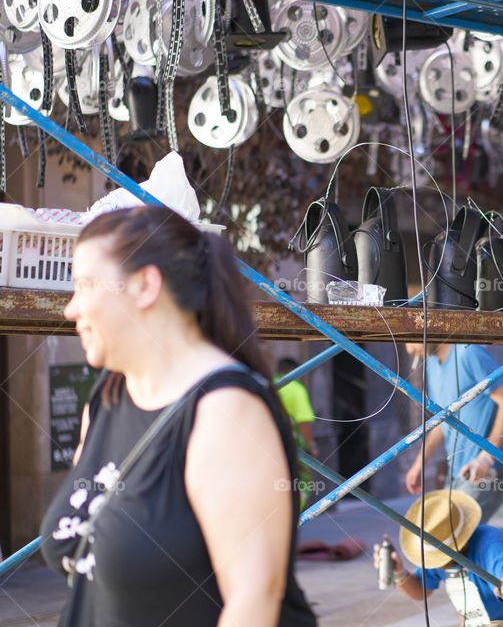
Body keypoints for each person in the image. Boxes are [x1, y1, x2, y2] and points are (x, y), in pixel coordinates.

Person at [40, 206, 315, 626]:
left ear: (145, 285)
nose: (70, 309)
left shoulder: (226, 411)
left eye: (85, 286)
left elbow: (254, 603)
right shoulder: (107, 398)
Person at [373, 490, 503, 627]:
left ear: (460, 544)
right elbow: (421, 590)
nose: (437, 564)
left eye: (440, 559)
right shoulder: (434, 550)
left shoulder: (492, 545)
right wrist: (398, 572)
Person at [404, 343, 503, 522]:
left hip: (485, 469)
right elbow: (442, 422)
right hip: (457, 472)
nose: (409, 350)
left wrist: (485, 458)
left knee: (453, 539)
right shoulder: (432, 365)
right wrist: (420, 463)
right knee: (447, 536)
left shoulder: (468, 352)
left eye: (409, 340)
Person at [276, 357, 319, 458]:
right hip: (292, 445)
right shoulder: (296, 389)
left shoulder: (269, 384)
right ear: (293, 370)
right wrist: (311, 446)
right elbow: (303, 421)